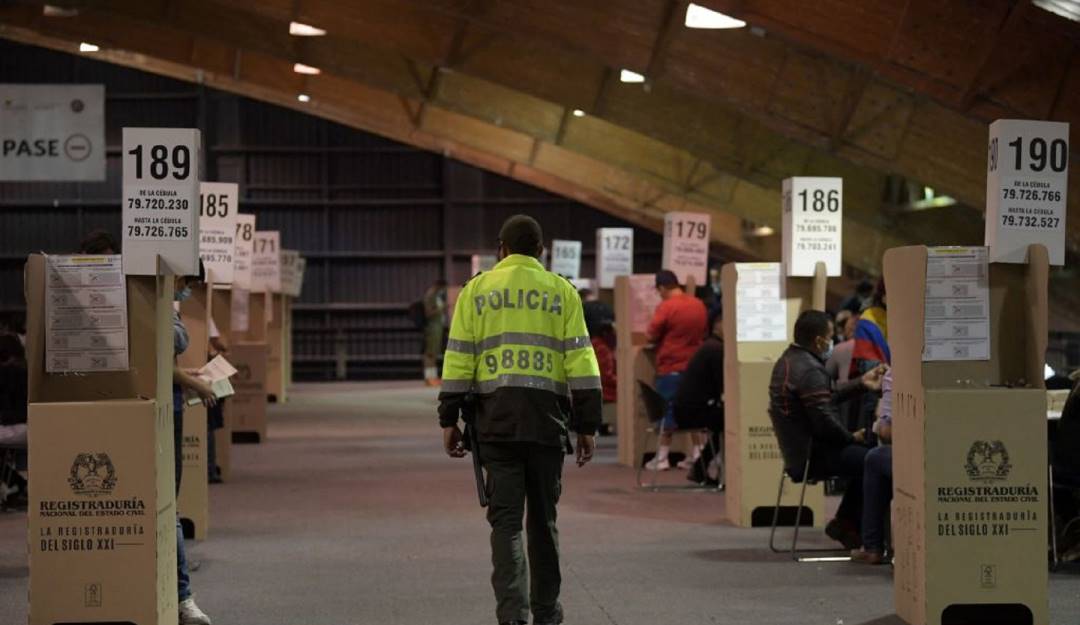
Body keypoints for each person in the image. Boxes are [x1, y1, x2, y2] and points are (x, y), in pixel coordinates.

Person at [438, 214, 602, 625]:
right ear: (541, 251)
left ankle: (512, 616)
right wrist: (587, 425)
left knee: (506, 525)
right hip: (547, 424)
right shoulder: (562, 292)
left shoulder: (475, 292)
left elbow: (458, 358)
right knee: (544, 523)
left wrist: (449, 418)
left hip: (496, 425)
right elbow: (582, 361)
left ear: (502, 249)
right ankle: (547, 612)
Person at [768, 310, 884, 549]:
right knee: (875, 461)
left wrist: (861, 383)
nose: (832, 342)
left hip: (801, 452)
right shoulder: (809, 369)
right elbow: (824, 420)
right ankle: (857, 530)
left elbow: (826, 397)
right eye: (831, 336)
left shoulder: (789, 361)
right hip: (814, 455)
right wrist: (850, 436)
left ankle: (845, 522)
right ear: (819, 340)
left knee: (866, 458)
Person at [172, 264, 217, 625]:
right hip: (157, 410)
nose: (187, 291)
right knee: (167, 507)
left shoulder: (164, 305)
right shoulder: (153, 304)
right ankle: (183, 597)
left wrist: (189, 380)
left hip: (167, 403)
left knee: (168, 506)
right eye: (186, 284)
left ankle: (180, 594)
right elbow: (162, 352)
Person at [645, 270, 708, 471]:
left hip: (671, 366)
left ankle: (662, 457)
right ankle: (698, 456)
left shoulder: (666, 307)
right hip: (695, 368)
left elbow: (651, 335)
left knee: (667, 412)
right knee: (694, 411)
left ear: (662, 287)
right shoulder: (698, 305)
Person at [672, 310, 725, 485]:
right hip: (693, 412)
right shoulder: (716, 350)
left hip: (686, 409)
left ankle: (700, 468)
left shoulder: (709, 346)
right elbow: (723, 386)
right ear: (717, 326)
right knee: (728, 423)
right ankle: (703, 469)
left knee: (723, 422)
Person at [852, 368, 893, 564]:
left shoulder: (896, 375)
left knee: (873, 458)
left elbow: (887, 432)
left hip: (916, 457)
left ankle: (872, 546)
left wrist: (877, 424)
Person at [850, 279, 889, 435]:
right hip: (877, 399)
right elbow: (868, 366)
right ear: (883, 295)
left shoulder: (908, 317)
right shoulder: (869, 321)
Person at [422, 279, 448, 387]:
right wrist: (442, 308)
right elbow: (428, 313)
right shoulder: (430, 296)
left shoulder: (436, 296)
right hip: (432, 327)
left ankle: (433, 376)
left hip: (437, 327)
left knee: (434, 352)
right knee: (430, 353)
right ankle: (429, 377)